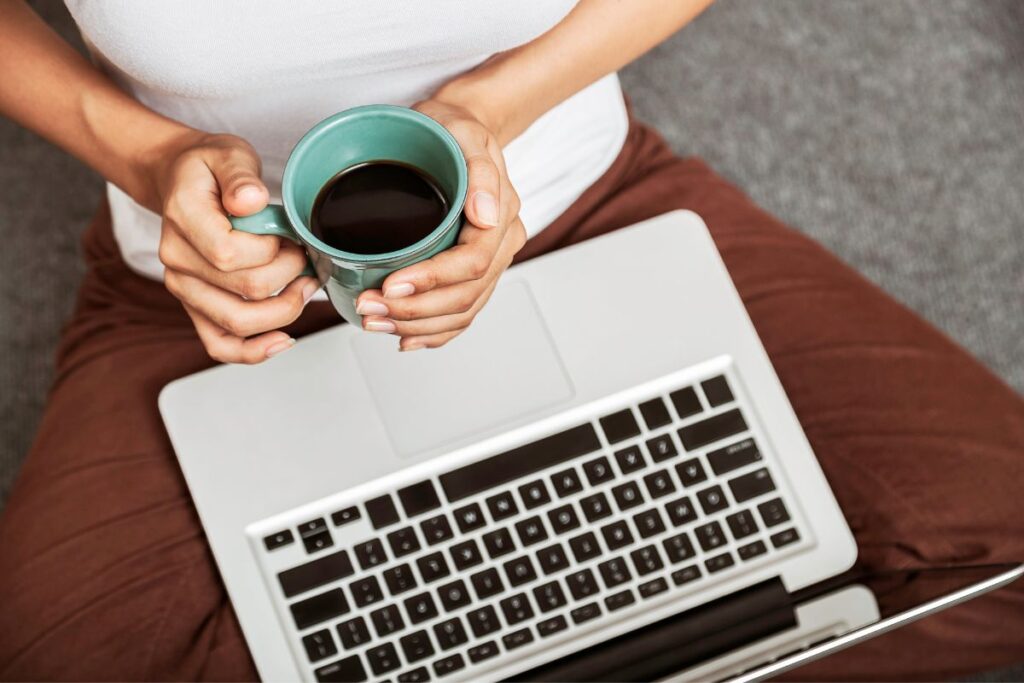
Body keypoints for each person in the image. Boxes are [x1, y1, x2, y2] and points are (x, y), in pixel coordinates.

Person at [0, 1, 1021, 680]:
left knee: (1003, 554)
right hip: (203, 282)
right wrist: (143, 153)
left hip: (587, 202)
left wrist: (493, 106)